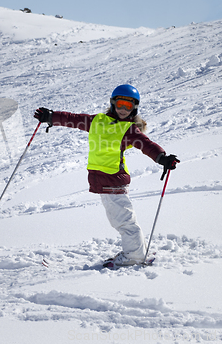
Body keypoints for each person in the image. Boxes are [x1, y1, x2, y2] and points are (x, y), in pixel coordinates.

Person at [34, 84, 179, 268]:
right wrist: (51, 117)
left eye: (128, 106)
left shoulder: (128, 129)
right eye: (120, 104)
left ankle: (134, 255)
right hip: (105, 181)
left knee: (123, 221)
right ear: (113, 103)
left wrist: (162, 158)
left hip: (113, 180)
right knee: (122, 218)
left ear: (134, 108)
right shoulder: (96, 121)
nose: (123, 110)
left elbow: (146, 144)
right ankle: (137, 250)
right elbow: (72, 119)